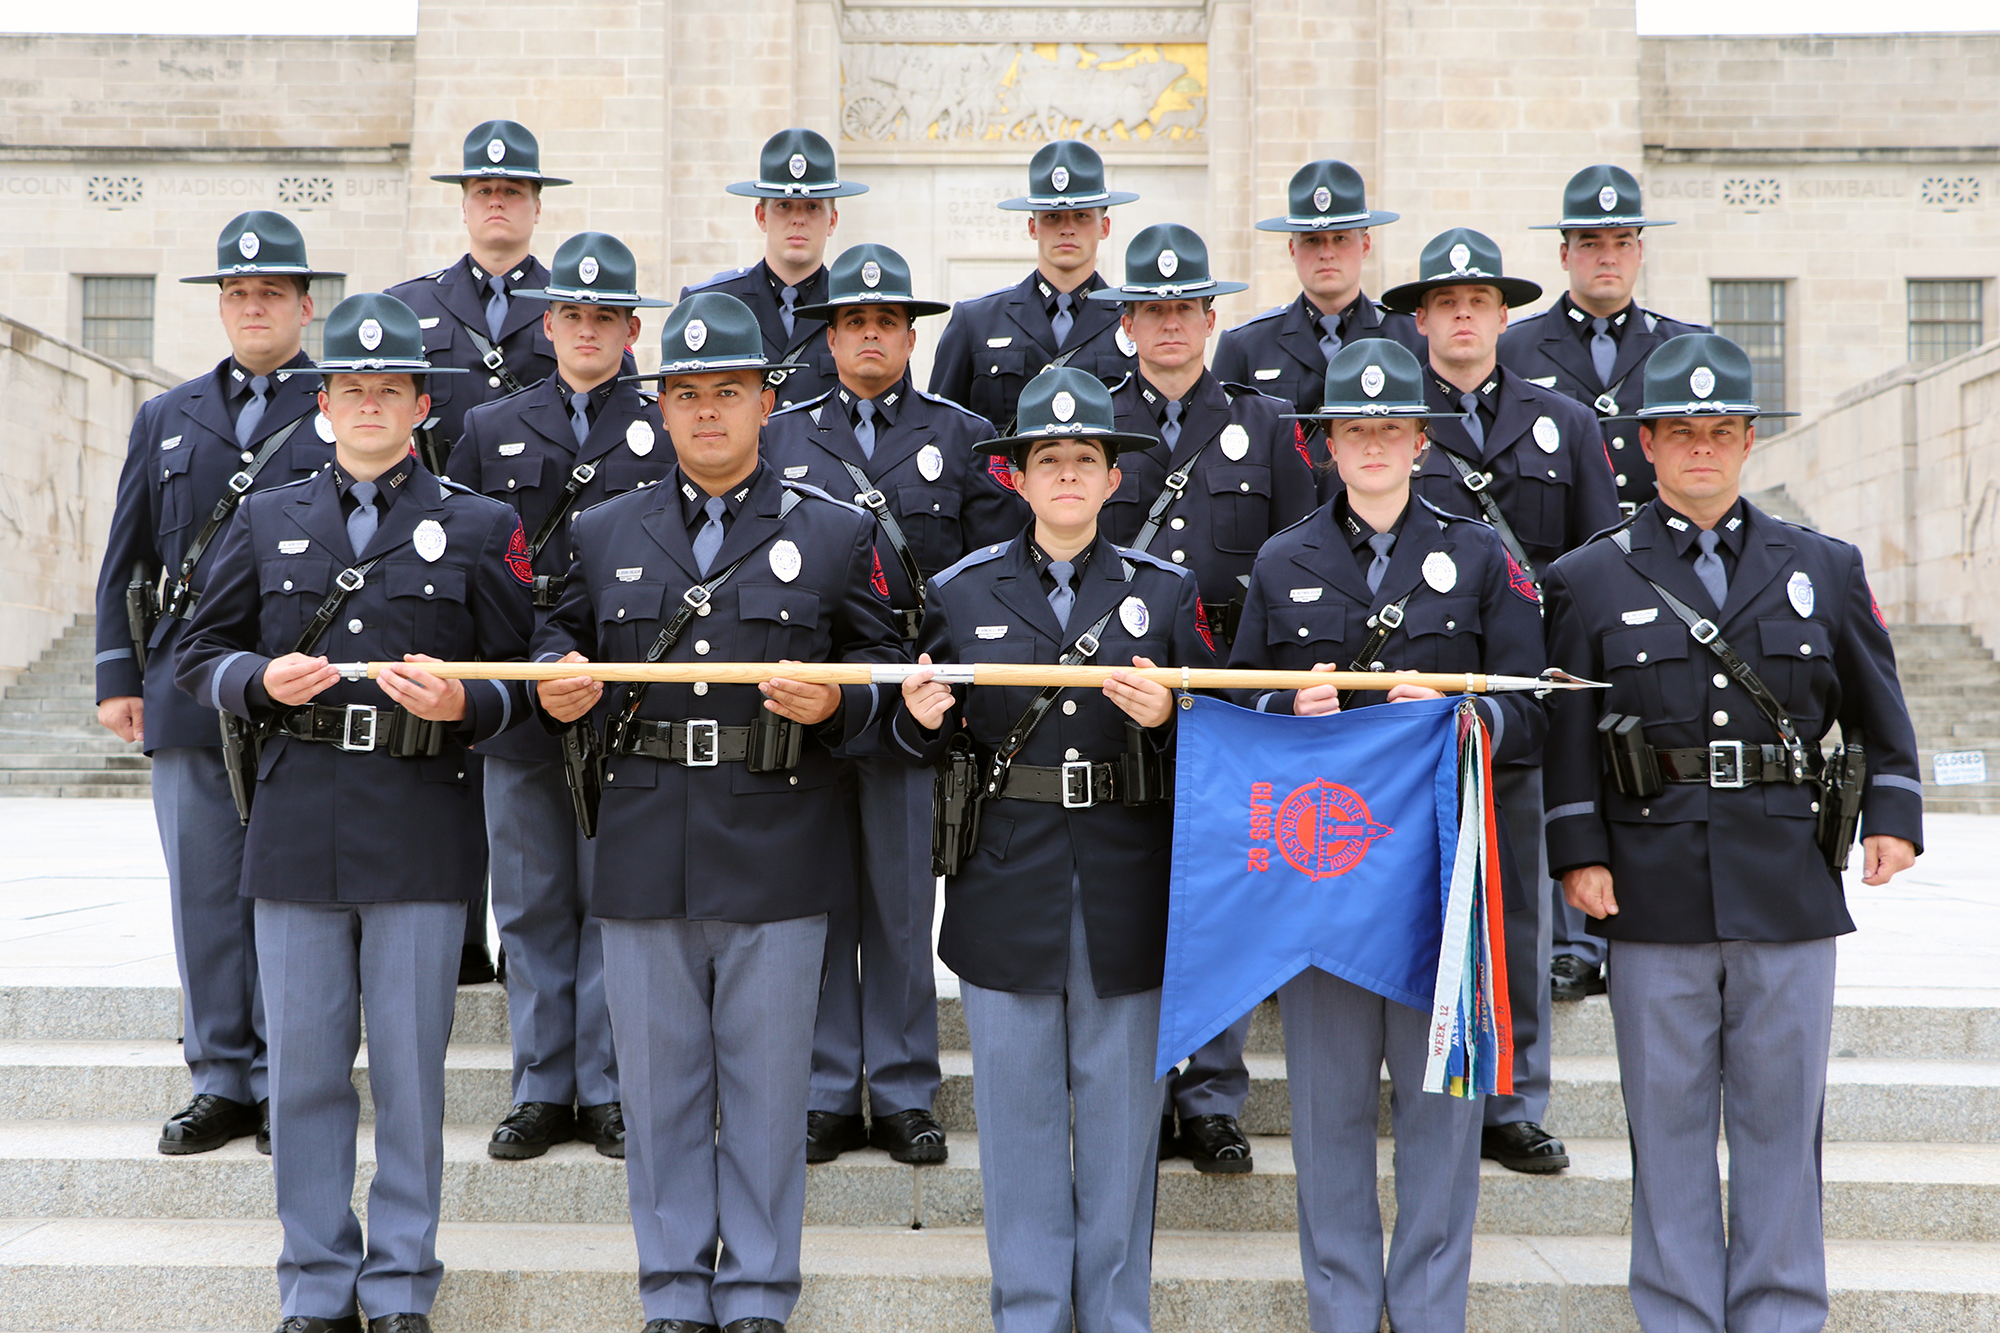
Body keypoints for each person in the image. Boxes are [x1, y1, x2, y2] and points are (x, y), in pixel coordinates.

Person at [531, 291, 905, 1333]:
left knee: (768, 1088)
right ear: (659, 407)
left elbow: (882, 662)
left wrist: (839, 698)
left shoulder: (831, 531)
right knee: (656, 1093)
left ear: (766, 400)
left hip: (779, 832)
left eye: (725, 392)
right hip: (646, 835)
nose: (703, 412)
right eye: (685, 394)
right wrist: (553, 670)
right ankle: (672, 1289)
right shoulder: (607, 528)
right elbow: (550, 630)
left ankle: (755, 1292)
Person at [1542, 331, 1923, 1333]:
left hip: (1787, 887)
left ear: (1747, 440)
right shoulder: (1587, 579)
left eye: (1718, 431)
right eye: (1679, 432)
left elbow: (1879, 715)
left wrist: (1892, 814)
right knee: (1663, 1126)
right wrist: (1575, 853)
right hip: (1648, 886)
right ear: (1646, 446)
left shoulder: (1821, 567)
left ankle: (1780, 1312)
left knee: (1779, 1123)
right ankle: (1674, 1314)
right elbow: (1568, 734)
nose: (1699, 449)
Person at [176, 292, 534, 1333]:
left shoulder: (481, 524)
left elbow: (522, 664)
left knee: (413, 1079)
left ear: (421, 403)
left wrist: (471, 699)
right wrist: (254, 680)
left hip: (421, 819)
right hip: (295, 821)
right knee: (304, 1073)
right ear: (323, 403)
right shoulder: (266, 516)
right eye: (348, 389)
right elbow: (197, 652)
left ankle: (400, 1284)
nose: (367, 404)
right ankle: (317, 1283)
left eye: (388, 388)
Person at [1229, 339, 1546, 1333]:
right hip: (1323, 882)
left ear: (1419, 440)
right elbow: (1241, 715)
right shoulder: (1282, 561)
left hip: (1437, 883)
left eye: (1389, 429)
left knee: (1440, 1121)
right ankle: (1340, 1310)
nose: (1371, 446)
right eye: (1350, 430)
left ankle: (1425, 1311)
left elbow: (1529, 711)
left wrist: (1466, 717)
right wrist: (1290, 703)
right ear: (1324, 445)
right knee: (1325, 1120)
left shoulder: (1482, 554)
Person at [895, 364, 1216, 1333]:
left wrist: (1170, 714)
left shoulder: (1163, 592)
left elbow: (1220, 737)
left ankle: (1114, 1315)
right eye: (1049, 459)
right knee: (1020, 1131)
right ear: (1018, 478)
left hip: (1125, 885)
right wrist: (915, 722)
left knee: (1120, 1132)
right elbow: (922, 738)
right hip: (1006, 885)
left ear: (1112, 479)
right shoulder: (958, 591)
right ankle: (1028, 1314)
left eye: (1085, 459)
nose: (1068, 475)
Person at [762, 242, 1022, 1167]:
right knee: (825, 894)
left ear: (911, 336)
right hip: (812, 695)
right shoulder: (783, 434)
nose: (869, 335)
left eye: (886, 322)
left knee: (906, 901)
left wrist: (944, 687)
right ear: (829, 337)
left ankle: (908, 1086)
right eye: (852, 322)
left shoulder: (959, 438)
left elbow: (990, 579)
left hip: (915, 696)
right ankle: (831, 1088)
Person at [93, 210, 342, 1158]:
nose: (253, 306)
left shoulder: (345, 401)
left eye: (271, 292)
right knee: (203, 890)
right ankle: (221, 1076)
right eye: (237, 293)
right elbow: (128, 555)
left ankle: (293, 1077)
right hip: (190, 687)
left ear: (304, 304)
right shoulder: (167, 415)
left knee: (294, 893)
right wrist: (122, 672)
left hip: (299, 688)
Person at [1379, 226, 1620, 1176]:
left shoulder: (1563, 419)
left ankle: (1512, 1097)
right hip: (1413, 695)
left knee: (1514, 903)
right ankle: (1406, 1084)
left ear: (1505, 313)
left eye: (1480, 300)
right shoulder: (1388, 415)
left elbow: (1603, 559)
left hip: (1526, 688)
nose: (1465, 315)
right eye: (1446, 302)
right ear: (1423, 318)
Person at [1089, 221, 1316, 1172]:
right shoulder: (1094, 420)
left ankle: (1213, 1096)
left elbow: (1302, 552)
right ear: (1128, 322)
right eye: (1153, 310)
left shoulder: (1265, 426)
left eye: (1187, 309)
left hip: (1229, 684)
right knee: (1131, 884)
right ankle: (1130, 1089)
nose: (1171, 326)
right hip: (1117, 684)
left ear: (1212, 318)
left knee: (1221, 887)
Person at [446, 231, 675, 1162]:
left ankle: (609, 1084)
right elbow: (456, 554)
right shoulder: (489, 428)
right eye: (572, 314)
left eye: (606, 317)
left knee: (613, 895)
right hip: (520, 687)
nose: (587, 330)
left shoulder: (668, 424)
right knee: (533, 898)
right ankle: (542, 1085)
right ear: (549, 323)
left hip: (623, 687)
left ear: (631, 330)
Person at [1501, 164, 1710, 1003]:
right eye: (1591, 242)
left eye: (1622, 241)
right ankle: (1570, 939)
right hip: (1559, 580)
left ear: (1639, 250)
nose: (1607, 257)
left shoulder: (1681, 349)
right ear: (1565, 253)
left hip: (1661, 580)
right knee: (1567, 751)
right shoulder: (1517, 348)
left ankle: (1639, 920)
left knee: (1645, 747)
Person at [391, 117, 573, 984]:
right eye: (483, 190)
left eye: (513, 190)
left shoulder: (575, 303)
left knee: (526, 764)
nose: (497, 202)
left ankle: (526, 940)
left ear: (536, 205)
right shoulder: (412, 306)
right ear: (465, 204)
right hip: (445, 565)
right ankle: (458, 937)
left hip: (557, 562)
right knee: (452, 753)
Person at [928, 140, 1140, 431]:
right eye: (1052, 217)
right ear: (1032, 227)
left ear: (1104, 227)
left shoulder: (1133, 323)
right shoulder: (976, 321)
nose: (1067, 228)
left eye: (1081, 216)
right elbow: (942, 429)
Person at [1212, 160, 1424, 436]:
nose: (1326, 253)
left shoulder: (1413, 340)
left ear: (1366, 246)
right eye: (1312, 240)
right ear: (1292, 249)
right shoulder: (1245, 346)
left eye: (1340, 239)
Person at [679, 128, 869, 412]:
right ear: (761, 216)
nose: (798, 220)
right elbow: (680, 407)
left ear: (833, 221)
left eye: (813, 207)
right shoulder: (711, 304)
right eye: (783, 205)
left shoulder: (858, 311)